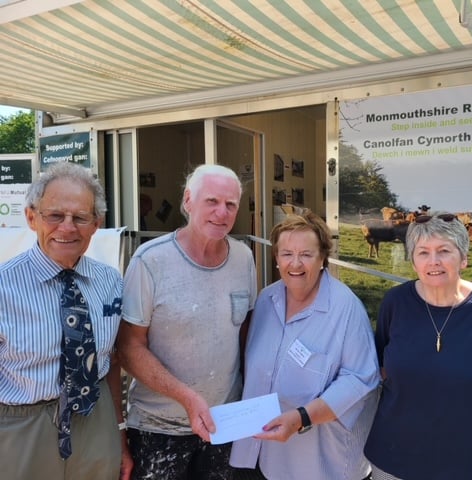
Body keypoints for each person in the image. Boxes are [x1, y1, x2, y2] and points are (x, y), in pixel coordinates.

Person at [364, 212, 472, 480]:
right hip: (396, 458)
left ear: (464, 258)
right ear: (413, 261)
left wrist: (466, 417)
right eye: (423, 252)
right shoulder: (395, 303)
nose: (433, 261)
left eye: (444, 251)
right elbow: (384, 369)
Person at [117, 164, 257, 480]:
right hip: (158, 428)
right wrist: (187, 397)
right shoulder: (149, 260)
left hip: (223, 423)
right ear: (188, 200)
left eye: (230, 204)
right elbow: (128, 347)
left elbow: (246, 332)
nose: (222, 212)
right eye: (212, 201)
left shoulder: (243, 258)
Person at [0, 161, 132, 480]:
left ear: (96, 223)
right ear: (32, 217)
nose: (68, 228)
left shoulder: (110, 282)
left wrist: (119, 433)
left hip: (95, 419)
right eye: (55, 215)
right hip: (22, 425)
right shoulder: (4, 286)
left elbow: (110, 360)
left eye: (80, 217)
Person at [231, 211, 380, 480]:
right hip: (266, 457)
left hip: (322, 463)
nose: (295, 263)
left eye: (306, 254)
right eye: (287, 253)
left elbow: (359, 379)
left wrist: (302, 417)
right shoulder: (266, 300)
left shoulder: (346, 308)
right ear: (276, 258)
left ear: (323, 258)